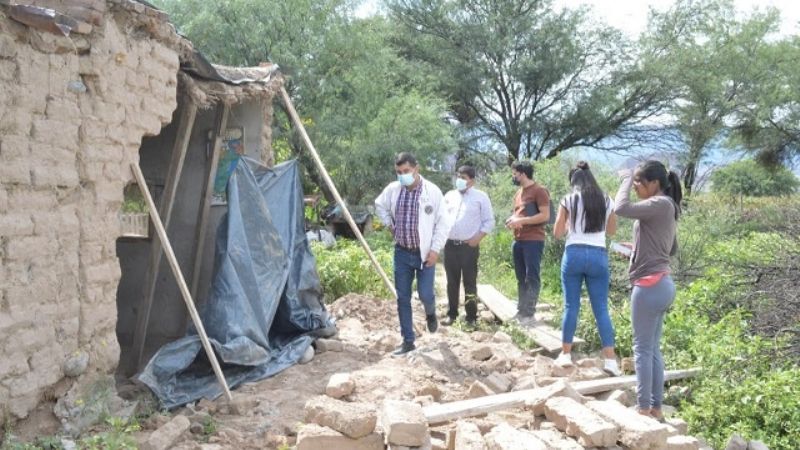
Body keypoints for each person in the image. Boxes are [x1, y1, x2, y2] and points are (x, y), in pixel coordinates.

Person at [614, 160, 682, 420]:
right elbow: (670, 248)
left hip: (649, 285)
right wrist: (636, 249)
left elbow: (621, 207)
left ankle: (643, 409)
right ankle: (655, 407)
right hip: (662, 283)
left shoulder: (660, 203)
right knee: (652, 348)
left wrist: (624, 180)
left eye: (640, 182)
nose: (636, 186)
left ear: (655, 184)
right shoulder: (668, 207)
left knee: (642, 349)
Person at [375, 152, 450, 356]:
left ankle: (430, 313)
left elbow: (443, 223)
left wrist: (435, 250)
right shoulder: (393, 189)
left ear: (416, 169)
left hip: (424, 254)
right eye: (399, 172)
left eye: (406, 171)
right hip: (402, 252)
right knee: (403, 298)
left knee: (426, 293)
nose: (402, 175)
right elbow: (379, 205)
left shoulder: (432, 192)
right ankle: (408, 341)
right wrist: (389, 225)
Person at [553, 161, 621, 376]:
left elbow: (557, 233)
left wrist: (568, 225)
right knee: (600, 308)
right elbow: (611, 232)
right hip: (598, 255)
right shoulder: (606, 200)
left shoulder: (568, 199)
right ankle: (610, 361)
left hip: (573, 253)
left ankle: (565, 354)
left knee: (570, 306)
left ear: (573, 182)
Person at [442, 165, 495, 327]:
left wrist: (477, 238)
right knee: (451, 281)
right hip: (450, 245)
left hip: (469, 247)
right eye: (458, 176)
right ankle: (452, 314)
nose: (460, 180)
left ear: (472, 181)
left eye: (464, 178)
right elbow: (442, 218)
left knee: (470, 282)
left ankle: (471, 317)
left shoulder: (481, 197)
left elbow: (489, 221)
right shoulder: (449, 195)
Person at [505, 161, 550, 323]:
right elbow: (519, 214)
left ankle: (529, 312)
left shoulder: (539, 191)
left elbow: (545, 216)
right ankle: (521, 310)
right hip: (518, 240)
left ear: (523, 174)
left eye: (515, 173)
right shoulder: (518, 193)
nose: (513, 177)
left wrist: (522, 221)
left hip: (533, 240)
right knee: (520, 276)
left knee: (532, 276)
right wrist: (513, 220)